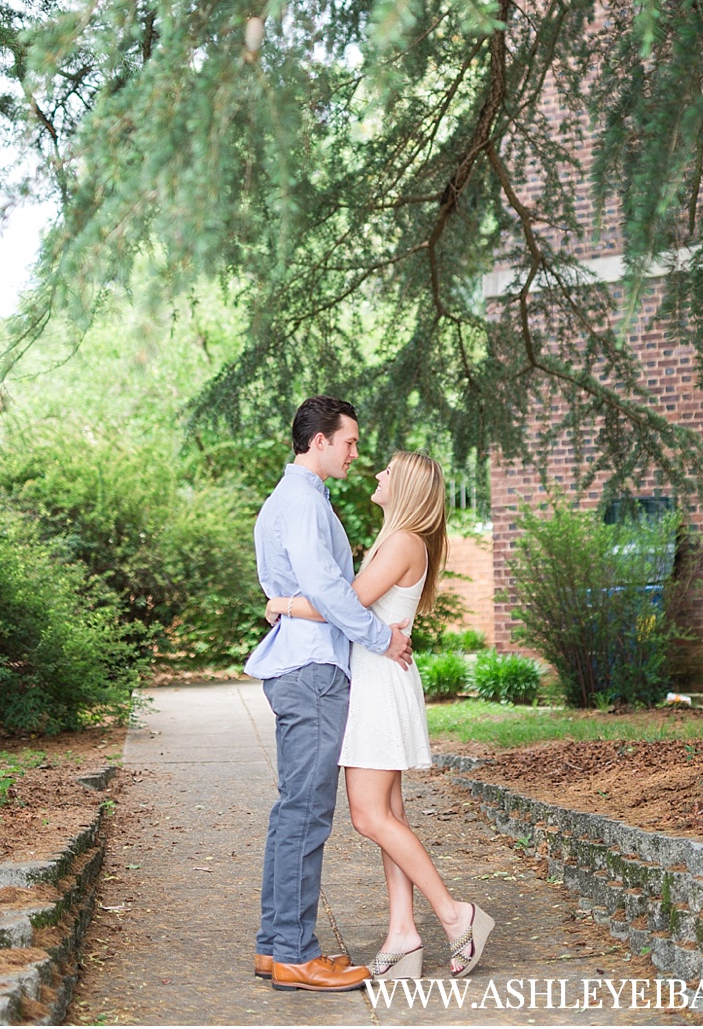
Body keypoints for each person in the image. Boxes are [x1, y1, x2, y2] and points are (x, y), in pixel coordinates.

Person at [266, 450, 496, 980]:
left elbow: (342, 604)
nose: (376, 473)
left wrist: (281, 603)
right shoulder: (399, 540)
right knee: (390, 817)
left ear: (407, 486)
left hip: (377, 685)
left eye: (388, 471)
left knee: (369, 817)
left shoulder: (401, 542)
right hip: (377, 678)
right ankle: (402, 934)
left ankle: (456, 915)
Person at [244, 395, 413, 993]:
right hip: (312, 672)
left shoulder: (296, 499)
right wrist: (380, 639)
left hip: (304, 667)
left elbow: (308, 588)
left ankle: (276, 947)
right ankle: (293, 952)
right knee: (306, 814)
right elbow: (328, 588)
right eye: (349, 442)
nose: (355, 453)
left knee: (296, 810)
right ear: (318, 440)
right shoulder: (301, 501)